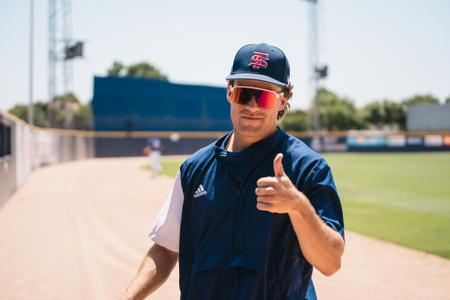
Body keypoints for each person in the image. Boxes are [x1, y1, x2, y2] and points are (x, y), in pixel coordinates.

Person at [122, 43, 345, 300]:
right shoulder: (194, 169)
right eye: (244, 94)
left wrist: (298, 207)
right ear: (230, 93)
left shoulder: (307, 167)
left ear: (282, 100)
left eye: (264, 96)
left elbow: (331, 262)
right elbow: (165, 248)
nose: (252, 106)